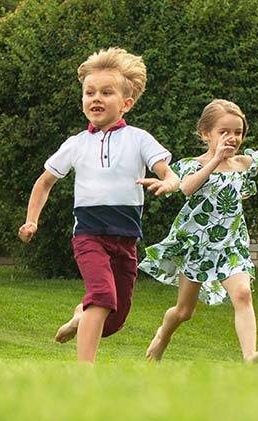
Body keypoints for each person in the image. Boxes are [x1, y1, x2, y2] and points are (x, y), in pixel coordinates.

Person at [18, 47, 178, 363]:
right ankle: (85, 372)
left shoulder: (139, 139)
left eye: (107, 92)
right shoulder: (76, 144)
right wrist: (31, 220)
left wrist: (169, 183)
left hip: (126, 239)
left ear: (126, 103)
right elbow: (44, 182)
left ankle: (80, 316)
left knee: (114, 320)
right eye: (90, 92)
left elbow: (167, 172)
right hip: (89, 235)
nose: (96, 98)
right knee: (103, 297)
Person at [141, 99, 258, 363]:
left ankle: (250, 357)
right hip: (197, 244)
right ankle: (163, 335)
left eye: (237, 132)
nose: (232, 138)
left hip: (231, 243)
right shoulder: (191, 165)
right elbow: (186, 188)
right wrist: (216, 159)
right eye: (224, 132)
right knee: (184, 311)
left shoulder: (243, 163)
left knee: (242, 294)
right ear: (206, 134)